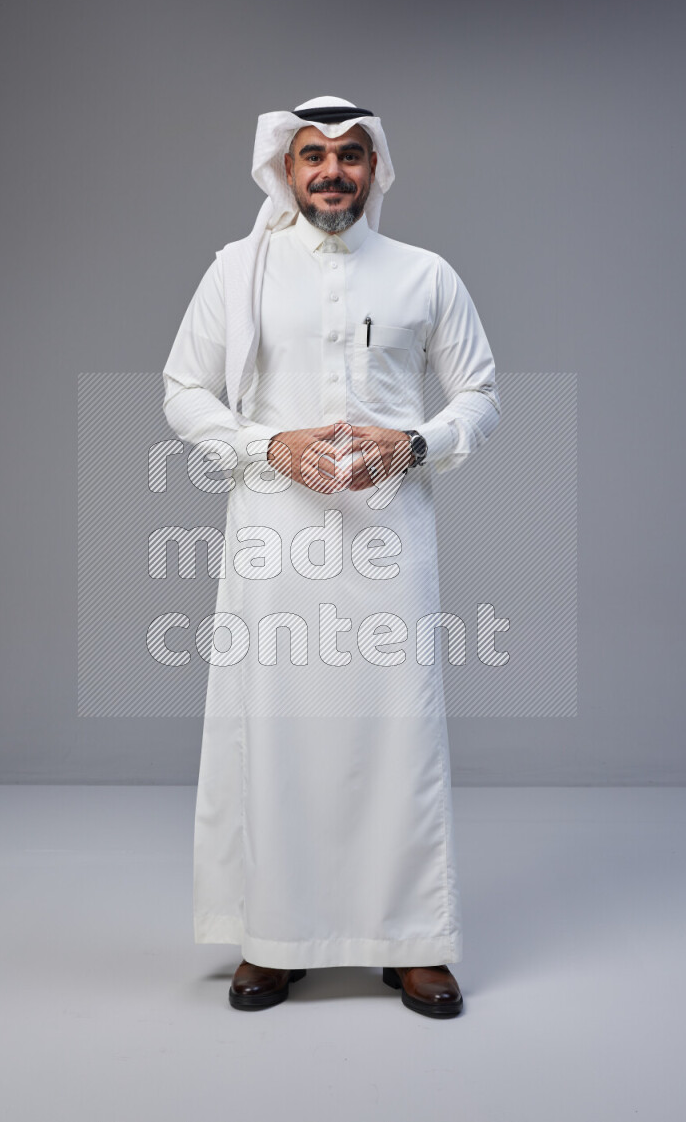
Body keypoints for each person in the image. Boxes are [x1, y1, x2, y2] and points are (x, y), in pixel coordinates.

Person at [162, 96, 501, 1018]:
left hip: (392, 536)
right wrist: (266, 446)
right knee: (277, 728)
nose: (331, 173)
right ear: (284, 167)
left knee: (398, 731)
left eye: (350, 156)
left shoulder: (424, 274)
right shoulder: (238, 272)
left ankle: (414, 941)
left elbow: (478, 393)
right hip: (272, 534)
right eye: (314, 156)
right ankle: (276, 940)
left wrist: (415, 444)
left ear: (375, 168)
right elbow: (183, 389)